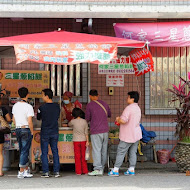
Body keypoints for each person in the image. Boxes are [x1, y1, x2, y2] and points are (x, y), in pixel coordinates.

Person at [108, 91, 142, 177]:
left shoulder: (129, 108)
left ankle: (115, 170)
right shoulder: (138, 108)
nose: (127, 99)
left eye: (128, 97)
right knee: (133, 152)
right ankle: (131, 169)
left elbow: (124, 120)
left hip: (128, 134)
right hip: (136, 134)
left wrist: (118, 119)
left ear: (132, 99)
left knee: (121, 151)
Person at [85, 89, 111, 176]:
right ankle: (102, 168)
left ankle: (97, 169)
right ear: (98, 95)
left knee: (96, 150)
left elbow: (87, 118)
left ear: (90, 96)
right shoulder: (105, 104)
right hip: (105, 131)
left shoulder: (89, 105)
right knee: (104, 150)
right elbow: (109, 114)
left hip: (96, 131)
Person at [37, 89, 60, 178]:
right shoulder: (57, 107)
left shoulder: (42, 108)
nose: (42, 97)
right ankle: (56, 171)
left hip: (45, 131)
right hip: (54, 131)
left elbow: (39, 118)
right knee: (55, 151)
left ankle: (46, 172)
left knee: (44, 152)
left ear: (47, 96)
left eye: (42, 95)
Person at [12, 87, 34, 178]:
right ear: (27, 95)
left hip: (18, 129)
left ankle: (25, 170)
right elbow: (30, 121)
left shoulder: (15, 105)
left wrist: (18, 126)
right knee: (25, 150)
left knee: (22, 150)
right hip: (26, 129)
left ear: (19, 94)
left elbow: (13, 119)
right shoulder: (28, 106)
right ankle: (21, 171)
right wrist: (32, 131)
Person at [68, 108, 89, 175]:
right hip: (83, 140)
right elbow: (86, 132)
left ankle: (78, 171)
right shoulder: (84, 121)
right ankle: (85, 171)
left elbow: (69, 124)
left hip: (76, 140)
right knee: (83, 156)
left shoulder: (73, 121)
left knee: (77, 156)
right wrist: (87, 141)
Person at [0, 97, 11, 177]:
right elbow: (9, 119)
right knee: (0, 153)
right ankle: (0, 172)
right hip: (0, 132)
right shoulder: (3, 109)